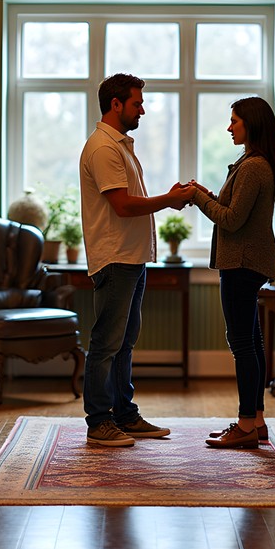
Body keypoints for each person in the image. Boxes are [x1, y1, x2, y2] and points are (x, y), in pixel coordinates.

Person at [78, 72, 194, 447]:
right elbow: (123, 206)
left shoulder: (120, 145)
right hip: (116, 258)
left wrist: (168, 197)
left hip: (131, 258)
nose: (142, 110)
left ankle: (124, 415)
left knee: (124, 343)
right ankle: (99, 422)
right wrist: (169, 200)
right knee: (105, 344)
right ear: (116, 104)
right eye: (137, 103)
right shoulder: (103, 148)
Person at [187, 96, 275, 449]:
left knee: (242, 344)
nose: (229, 127)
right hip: (247, 262)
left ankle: (245, 426)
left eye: (234, 121)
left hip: (241, 264)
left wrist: (197, 198)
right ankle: (256, 421)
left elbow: (230, 220)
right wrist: (206, 195)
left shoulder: (253, 166)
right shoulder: (254, 163)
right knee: (252, 342)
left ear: (251, 124)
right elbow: (235, 209)